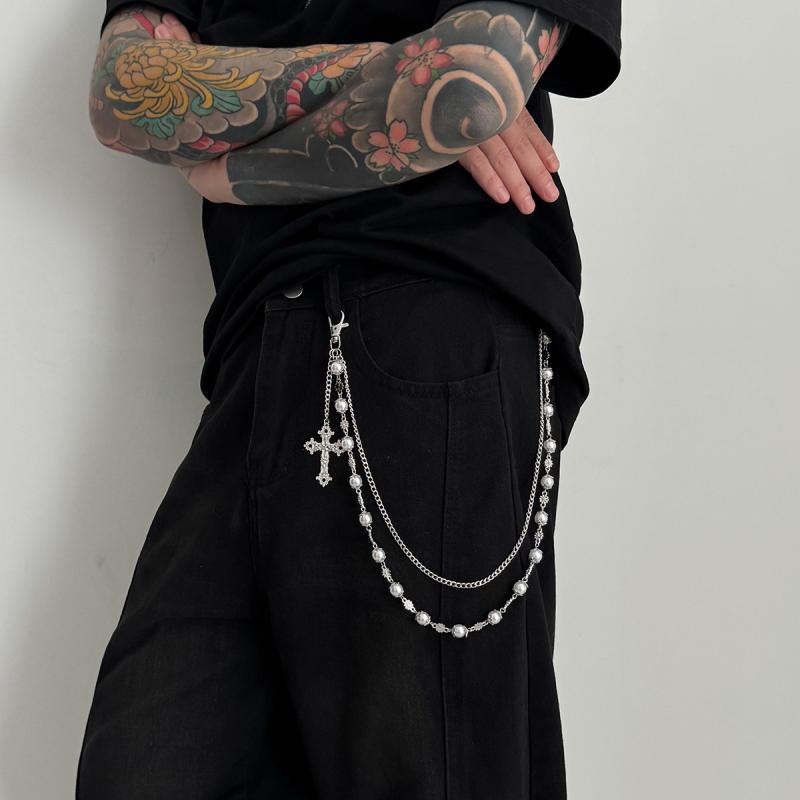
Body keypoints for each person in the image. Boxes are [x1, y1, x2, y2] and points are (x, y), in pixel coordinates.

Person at [77, 1, 621, 797]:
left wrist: (235, 171)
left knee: (430, 767)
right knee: (147, 761)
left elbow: (476, 81)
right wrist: (395, 65)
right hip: (251, 348)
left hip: (433, 317)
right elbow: (125, 98)